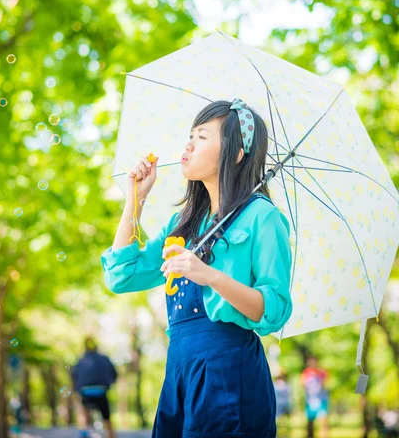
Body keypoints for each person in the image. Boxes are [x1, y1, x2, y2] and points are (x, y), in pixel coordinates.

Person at [101, 99, 293, 438]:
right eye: (190, 134)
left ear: (235, 154)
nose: (188, 145)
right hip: (180, 370)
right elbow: (122, 274)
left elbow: (273, 310)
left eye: (202, 137)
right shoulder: (184, 222)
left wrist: (209, 276)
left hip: (229, 373)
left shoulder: (263, 217)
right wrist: (136, 199)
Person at [71, 336, 117, 438]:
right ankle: (110, 435)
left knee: (83, 414)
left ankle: (83, 432)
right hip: (101, 391)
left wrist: (76, 389)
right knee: (107, 417)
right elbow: (113, 374)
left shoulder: (80, 360)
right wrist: (109, 384)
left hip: (85, 392)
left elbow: (74, 376)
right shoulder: (104, 358)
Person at [301, 355, 329, 438]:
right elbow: (302, 384)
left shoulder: (322, 372)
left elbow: (325, 383)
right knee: (310, 422)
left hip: (321, 400)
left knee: (323, 421)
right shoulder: (306, 372)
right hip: (310, 401)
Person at [274, 371, 292, 437]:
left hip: (278, 404)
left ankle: (280, 430)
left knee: (278, 419)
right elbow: (289, 395)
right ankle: (286, 429)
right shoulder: (286, 385)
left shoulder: (275, 384)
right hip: (285, 403)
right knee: (285, 418)